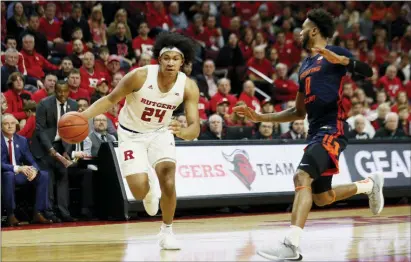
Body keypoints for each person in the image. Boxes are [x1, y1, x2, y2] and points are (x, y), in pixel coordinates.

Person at [233, 9, 382, 261]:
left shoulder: (336, 54)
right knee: (322, 198)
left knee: (302, 175)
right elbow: (298, 111)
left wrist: (342, 61)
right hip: (315, 131)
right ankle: (367, 185)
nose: (299, 32)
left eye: (303, 28)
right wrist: (260, 118)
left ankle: (291, 245)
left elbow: (368, 72)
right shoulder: (304, 66)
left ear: (313, 30)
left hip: (332, 127)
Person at [79, 32, 200, 249]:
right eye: (166, 58)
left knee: (169, 180)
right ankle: (149, 190)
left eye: (175, 58)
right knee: (138, 191)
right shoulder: (140, 76)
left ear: (183, 62)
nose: (170, 62)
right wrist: (82, 117)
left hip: (160, 133)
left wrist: (182, 132)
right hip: (130, 134)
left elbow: (194, 127)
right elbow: (109, 99)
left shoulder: (188, 86)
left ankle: (167, 232)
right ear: (159, 59)